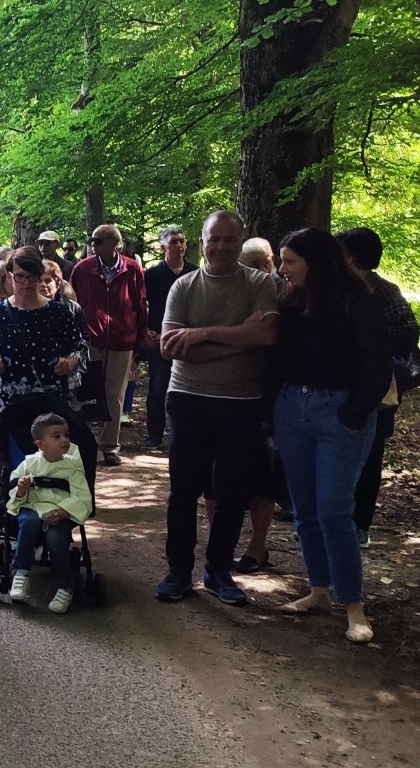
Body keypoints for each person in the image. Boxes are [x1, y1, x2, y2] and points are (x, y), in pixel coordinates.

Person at [155, 210, 278, 607]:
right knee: (184, 490)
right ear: (202, 241)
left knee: (231, 492)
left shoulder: (260, 284)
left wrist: (202, 335)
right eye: (215, 239)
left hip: (241, 403)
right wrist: (242, 338)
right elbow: (170, 347)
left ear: (240, 241)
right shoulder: (184, 287)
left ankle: (218, 571)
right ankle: (178, 572)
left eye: (230, 239)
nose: (222, 246)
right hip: (188, 398)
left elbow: (268, 333)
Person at [272, 229, 389, 643]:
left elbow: (378, 365)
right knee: (304, 511)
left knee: (334, 511)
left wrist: (353, 413)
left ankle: (353, 605)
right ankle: (318, 589)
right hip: (292, 411)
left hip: (339, 416)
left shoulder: (359, 300)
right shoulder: (292, 300)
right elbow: (278, 358)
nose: (281, 269)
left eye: (289, 261)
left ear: (315, 262)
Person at [337, 227, 420, 548]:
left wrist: (368, 344)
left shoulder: (376, 291)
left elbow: (405, 334)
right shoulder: (384, 290)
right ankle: (354, 523)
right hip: (368, 386)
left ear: (351, 256)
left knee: (368, 456)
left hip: (375, 388)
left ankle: (357, 525)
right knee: (366, 456)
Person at [69, 224, 149, 467]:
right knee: (86, 393)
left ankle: (110, 447)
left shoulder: (132, 268)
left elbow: (140, 304)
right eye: (92, 240)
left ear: (114, 244)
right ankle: (82, 443)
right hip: (89, 341)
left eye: (99, 240)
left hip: (121, 341)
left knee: (115, 395)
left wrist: (138, 341)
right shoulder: (82, 268)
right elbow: (72, 302)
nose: (93, 244)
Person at [0, 247, 87, 415]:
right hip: (6, 407)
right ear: (9, 276)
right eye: (20, 276)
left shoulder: (59, 313)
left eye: (32, 276)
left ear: (40, 276)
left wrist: (70, 362)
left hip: (50, 406)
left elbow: (80, 348)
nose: (26, 282)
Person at [6, 413, 93, 614]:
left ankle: (65, 586)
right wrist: (21, 489)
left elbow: (82, 497)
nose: (64, 440)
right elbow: (12, 495)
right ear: (41, 444)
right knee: (28, 522)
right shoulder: (29, 464)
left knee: (56, 537)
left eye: (66, 435)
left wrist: (63, 512)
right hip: (33, 506)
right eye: (57, 436)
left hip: (61, 510)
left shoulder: (72, 467)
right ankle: (21, 572)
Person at [142, 226, 196, 448]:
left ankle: (185, 435)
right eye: (174, 242)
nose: (179, 246)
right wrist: (147, 330)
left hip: (188, 341)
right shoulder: (151, 275)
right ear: (163, 246)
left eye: (182, 241)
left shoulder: (195, 274)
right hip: (159, 342)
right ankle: (154, 436)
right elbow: (140, 306)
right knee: (157, 389)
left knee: (188, 391)